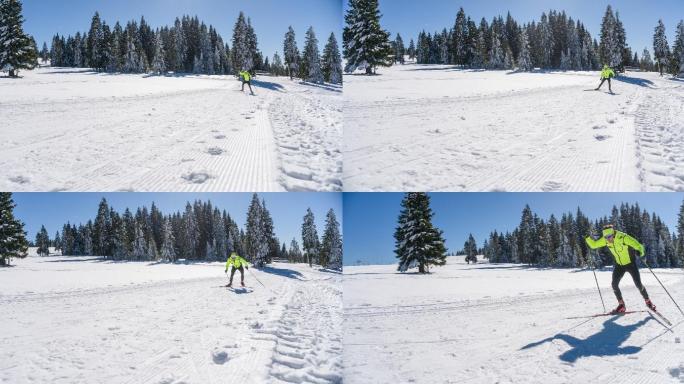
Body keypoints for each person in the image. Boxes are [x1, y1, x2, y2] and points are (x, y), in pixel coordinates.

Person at [585, 225, 656, 314]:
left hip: (631, 264)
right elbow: (594, 245)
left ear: (613, 233)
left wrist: (641, 253)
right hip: (619, 265)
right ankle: (621, 305)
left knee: (638, 284)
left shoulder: (623, 237)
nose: (608, 239)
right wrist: (587, 238)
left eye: (609, 237)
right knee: (614, 284)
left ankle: (648, 301)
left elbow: (638, 245)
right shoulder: (605, 240)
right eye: (606, 237)